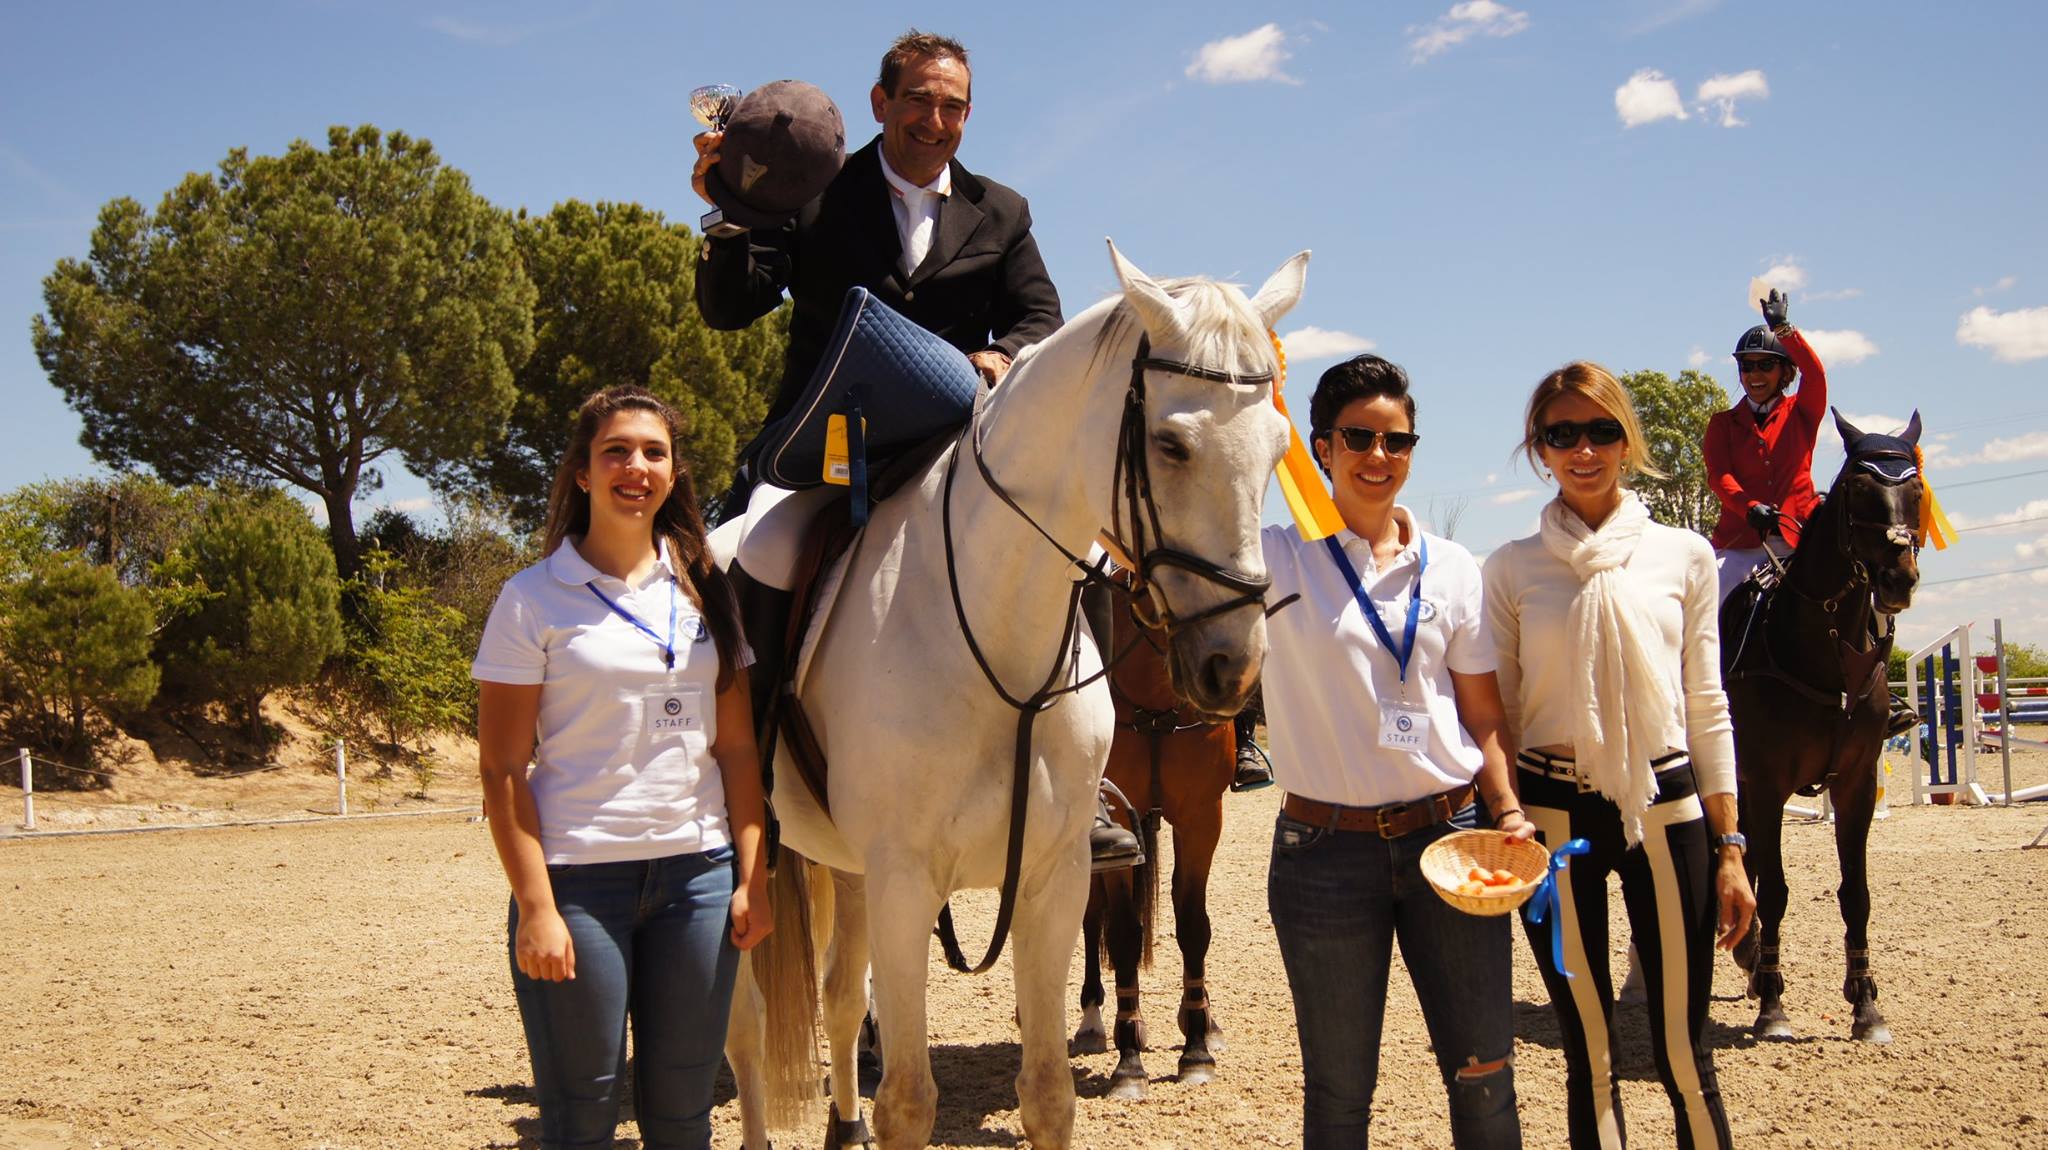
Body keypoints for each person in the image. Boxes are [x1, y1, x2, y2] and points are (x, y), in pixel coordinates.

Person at [691, 30, 1139, 868]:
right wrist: (727, 214)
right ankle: (745, 787)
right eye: (920, 100)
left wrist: (1004, 354)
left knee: (1092, 557)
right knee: (761, 546)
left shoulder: (1002, 210)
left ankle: (1091, 785)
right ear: (880, 104)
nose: (936, 120)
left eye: (953, 105)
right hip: (834, 448)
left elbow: (1041, 313)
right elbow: (732, 306)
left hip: (959, 450)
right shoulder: (816, 193)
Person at [472, 386, 772, 1149]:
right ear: (581, 473)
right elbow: (504, 769)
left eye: (653, 453)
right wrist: (536, 907)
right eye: (615, 451)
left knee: (682, 1116)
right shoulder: (531, 600)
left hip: (697, 883)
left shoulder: (709, 594)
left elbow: (736, 749)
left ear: (674, 474)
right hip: (578, 885)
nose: (634, 467)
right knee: (584, 1118)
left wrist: (752, 875)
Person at [1262, 355, 1533, 1149]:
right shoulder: (1276, 557)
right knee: (1339, 1099)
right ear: (1320, 446)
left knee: (1486, 1083)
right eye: (1358, 438)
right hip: (1323, 857)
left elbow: (1482, 715)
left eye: (1398, 441)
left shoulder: (1453, 568)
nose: (1379, 457)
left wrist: (1509, 810)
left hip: (1453, 846)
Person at [1483, 363, 1757, 1150]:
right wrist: (1502, 814)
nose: (1583, 449)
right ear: (1539, 449)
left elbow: (1706, 705)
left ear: (1627, 441)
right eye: (1561, 433)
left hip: (1666, 805)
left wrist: (1731, 847)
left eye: (1601, 430)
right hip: (1553, 811)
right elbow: (1497, 713)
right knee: (1590, 1052)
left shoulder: (1685, 555)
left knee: (1682, 1049)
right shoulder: (1510, 567)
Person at [1703, 288, 1826, 604]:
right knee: (1703, 605)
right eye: (1747, 367)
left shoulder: (1802, 412)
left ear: (1784, 371)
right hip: (1741, 547)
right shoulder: (1722, 424)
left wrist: (1784, 331)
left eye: (1765, 366)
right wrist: (1748, 507)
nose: (1754, 374)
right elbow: (1719, 476)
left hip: (1799, 542)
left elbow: (1816, 374)